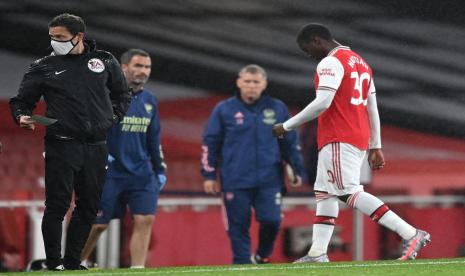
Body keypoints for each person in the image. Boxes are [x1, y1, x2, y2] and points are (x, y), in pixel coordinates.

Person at [272, 23, 431, 263]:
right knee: (325, 194)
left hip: (338, 135)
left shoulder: (330, 62)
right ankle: (317, 253)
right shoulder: (361, 62)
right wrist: (376, 145)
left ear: (317, 41)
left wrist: (286, 126)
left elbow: (323, 102)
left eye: (307, 50)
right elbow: (372, 107)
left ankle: (409, 233)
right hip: (356, 137)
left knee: (348, 191)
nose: (309, 56)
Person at [9, 13, 131, 270]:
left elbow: (122, 94)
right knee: (57, 205)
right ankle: (54, 264)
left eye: (61, 38)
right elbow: (21, 101)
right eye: (52, 37)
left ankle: (73, 262)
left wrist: (114, 118)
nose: (55, 42)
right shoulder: (42, 66)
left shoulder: (104, 61)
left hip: (97, 145)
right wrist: (21, 116)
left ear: (79, 37)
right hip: (61, 144)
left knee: (88, 206)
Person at [201, 64, 304, 264]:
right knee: (238, 227)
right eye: (247, 81)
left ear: (264, 84)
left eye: (256, 82)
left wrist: (297, 169)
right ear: (239, 82)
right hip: (235, 179)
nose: (251, 86)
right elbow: (210, 143)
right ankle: (242, 264)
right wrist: (208, 175)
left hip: (270, 179)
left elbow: (289, 142)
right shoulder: (224, 110)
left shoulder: (277, 108)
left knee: (272, 221)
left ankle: (262, 256)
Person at [80, 49, 167, 269]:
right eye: (138, 66)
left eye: (147, 67)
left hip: (141, 172)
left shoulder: (150, 101)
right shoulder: (105, 95)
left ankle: (137, 269)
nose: (143, 71)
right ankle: (75, 262)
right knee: (97, 224)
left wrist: (159, 169)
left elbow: (153, 138)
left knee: (145, 219)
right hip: (109, 172)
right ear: (123, 68)